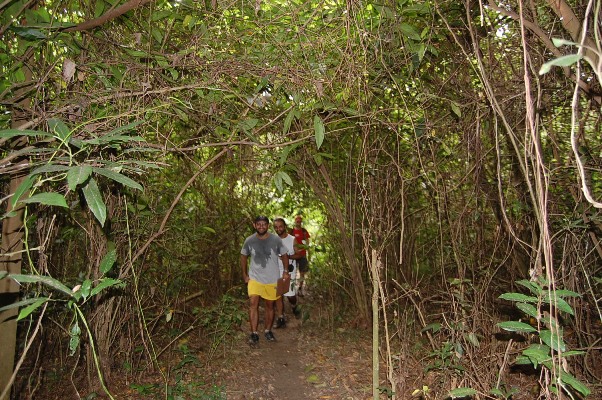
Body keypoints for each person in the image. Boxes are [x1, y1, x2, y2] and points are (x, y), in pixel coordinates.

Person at [241, 216, 289, 345]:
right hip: (255, 278)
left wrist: (285, 271)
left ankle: (268, 330)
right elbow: (244, 256)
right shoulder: (249, 240)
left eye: (264, 224)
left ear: (268, 226)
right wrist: (245, 275)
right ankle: (254, 333)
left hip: (271, 279)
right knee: (253, 304)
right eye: (259, 224)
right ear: (254, 225)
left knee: (270, 306)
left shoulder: (275, 240)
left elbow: (284, 255)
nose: (261, 226)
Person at [272, 218, 302, 328]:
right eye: (276, 227)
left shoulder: (292, 239)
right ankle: (281, 318)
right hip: (277, 270)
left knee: (290, 295)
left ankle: (294, 305)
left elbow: (299, 255)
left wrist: (287, 256)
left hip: (289, 270)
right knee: (278, 295)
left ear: (284, 226)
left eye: (280, 226)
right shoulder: (273, 240)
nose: (278, 229)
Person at [290, 214, 310, 297]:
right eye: (297, 220)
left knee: (302, 273)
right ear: (295, 221)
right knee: (292, 273)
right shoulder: (291, 232)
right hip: (293, 256)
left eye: (300, 221)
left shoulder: (304, 231)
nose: (298, 222)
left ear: (301, 222)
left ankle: (300, 288)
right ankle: (291, 290)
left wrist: (306, 250)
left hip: (302, 255)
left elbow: (307, 242)